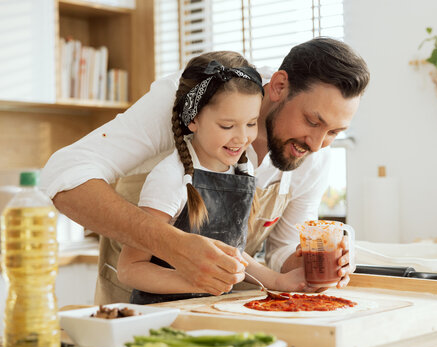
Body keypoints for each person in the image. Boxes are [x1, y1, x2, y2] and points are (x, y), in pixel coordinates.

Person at [41, 37, 369, 304]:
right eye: (313, 121)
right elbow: (63, 174)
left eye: (334, 132)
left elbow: (279, 250)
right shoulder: (199, 96)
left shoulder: (315, 153)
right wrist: (173, 245)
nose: (317, 143)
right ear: (280, 85)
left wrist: (301, 266)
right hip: (133, 312)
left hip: (226, 311)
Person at [116, 52, 307, 304]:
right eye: (227, 126)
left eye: (251, 124)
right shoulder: (169, 178)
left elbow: (230, 253)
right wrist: (197, 279)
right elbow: (130, 268)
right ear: (193, 119)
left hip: (210, 312)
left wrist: (278, 281)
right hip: (163, 316)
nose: (242, 138)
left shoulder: (241, 169)